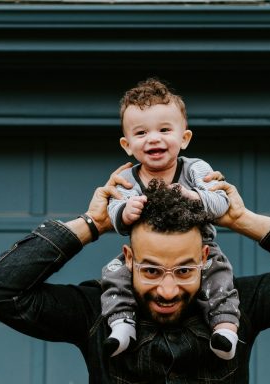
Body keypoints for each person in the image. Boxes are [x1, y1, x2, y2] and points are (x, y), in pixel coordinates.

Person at [0, 163, 270, 384]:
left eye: (185, 270)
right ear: (128, 258)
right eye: (152, 270)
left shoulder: (239, 306)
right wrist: (92, 224)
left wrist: (242, 219)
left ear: (206, 257)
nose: (169, 289)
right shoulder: (94, 313)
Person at [102, 78, 238, 359]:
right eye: (141, 133)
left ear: (184, 138)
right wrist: (124, 212)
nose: (153, 138)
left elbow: (221, 201)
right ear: (127, 145)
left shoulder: (195, 169)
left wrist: (195, 197)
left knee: (219, 274)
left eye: (164, 130)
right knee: (114, 275)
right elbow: (113, 212)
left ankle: (224, 328)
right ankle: (121, 324)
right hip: (145, 255)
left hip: (201, 249)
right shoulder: (127, 177)